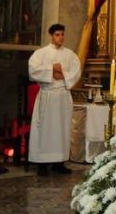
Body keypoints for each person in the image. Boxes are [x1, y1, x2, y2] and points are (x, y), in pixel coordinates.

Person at [28, 23, 81, 176]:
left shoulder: (70, 54)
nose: (61, 37)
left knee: (62, 128)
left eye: (63, 34)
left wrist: (60, 72)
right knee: (45, 128)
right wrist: (52, 69)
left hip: (63, 96)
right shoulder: (40, 53)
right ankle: (42, 164)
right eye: (57, 35)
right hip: (48, 95)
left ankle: (59, 162)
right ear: (51, 36)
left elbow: (75, 72)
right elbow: (33, 71)